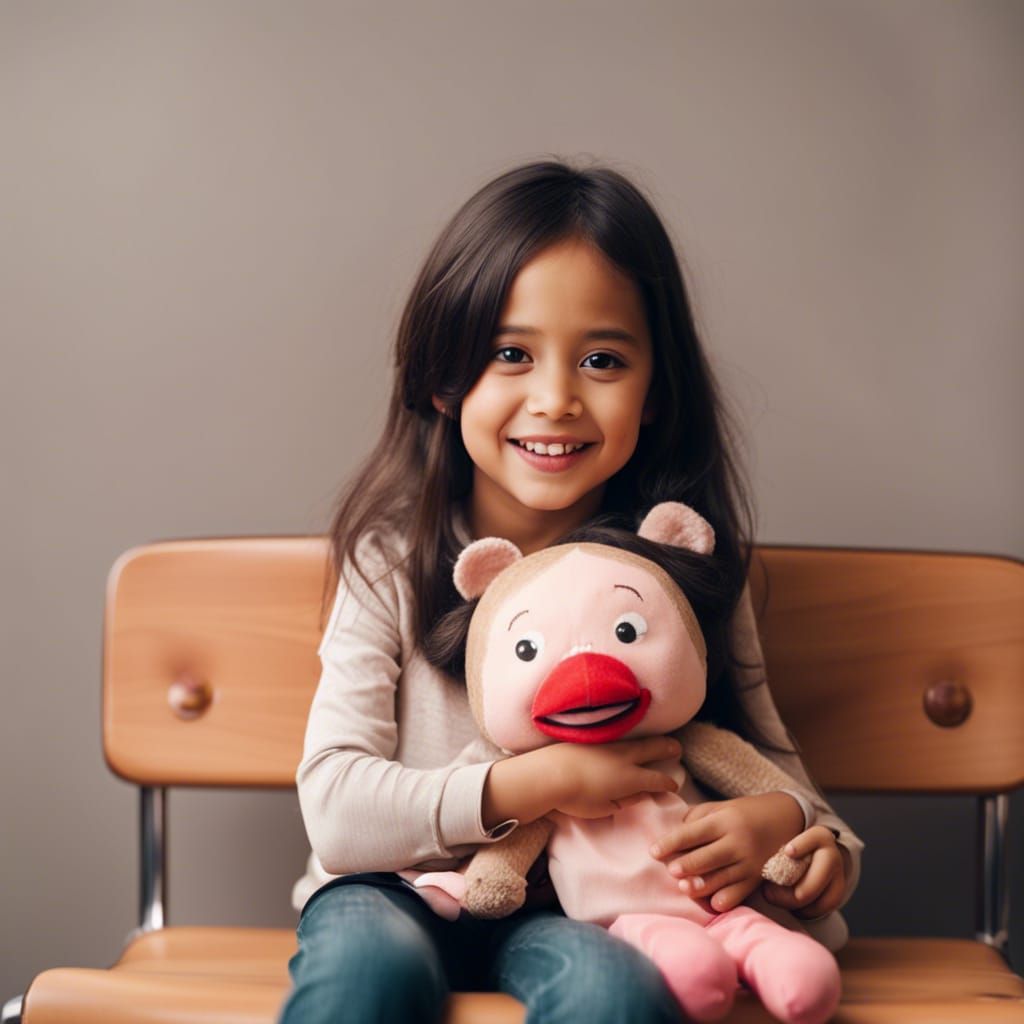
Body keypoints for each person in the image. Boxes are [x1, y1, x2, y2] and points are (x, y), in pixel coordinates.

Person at [277, 158, 864, 1024]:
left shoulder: (678, 573)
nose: (555, 400)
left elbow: (788, 784)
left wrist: (789, 833)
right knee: (368, 975)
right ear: (445, 379)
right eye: (510, 354)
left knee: (613, 995)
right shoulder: (389, 561)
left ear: (656, 390)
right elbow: (335, 809)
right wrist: (538, 784)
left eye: (601, 359)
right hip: (391, 892)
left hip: (592, 912)